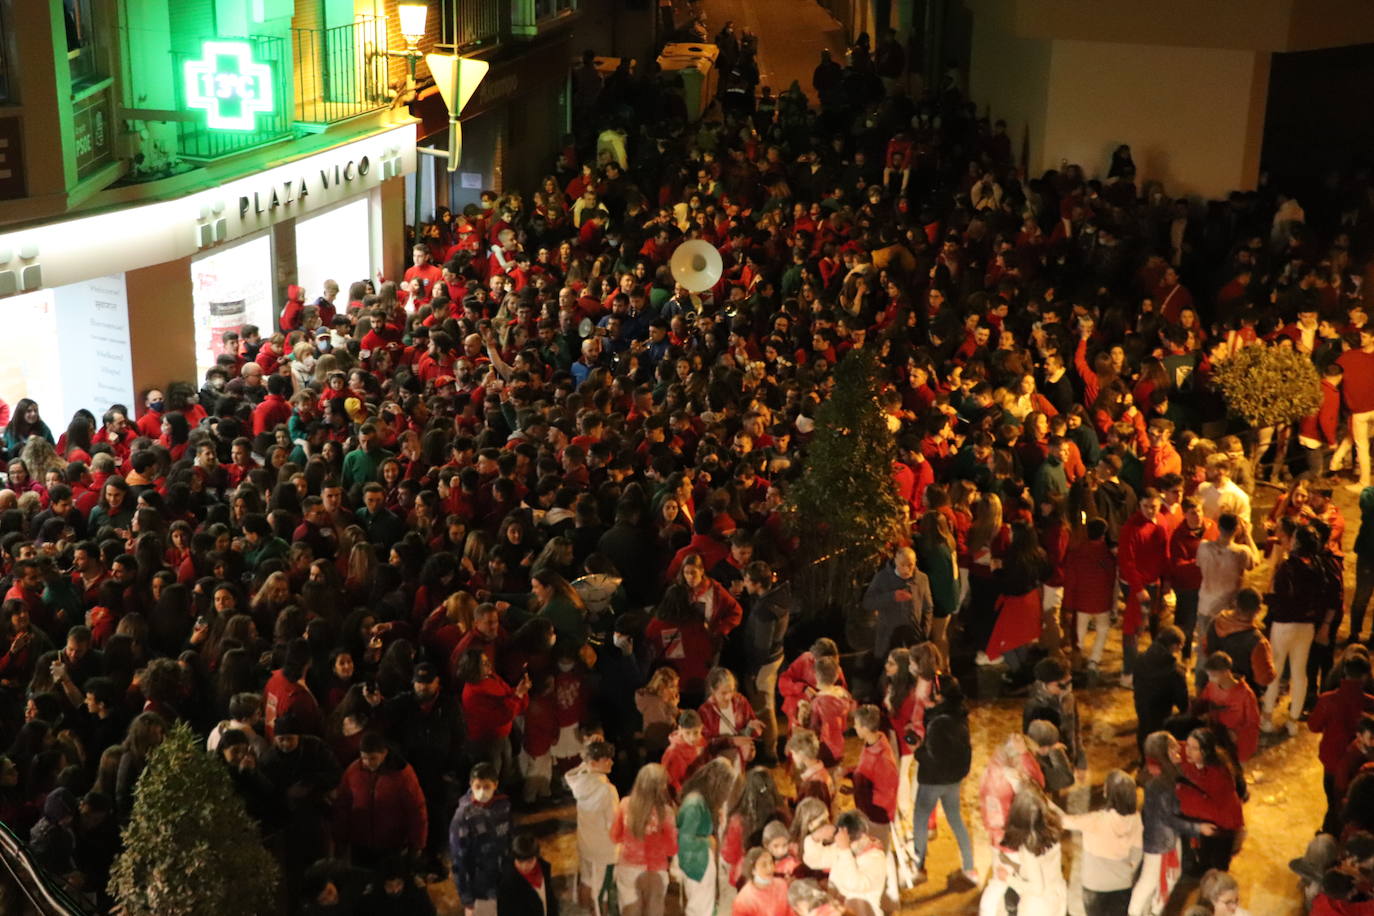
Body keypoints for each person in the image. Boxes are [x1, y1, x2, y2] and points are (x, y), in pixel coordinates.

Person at [909, 674, 977, 886]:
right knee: (956, 819)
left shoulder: (938, 724)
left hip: (933, 781)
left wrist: (917, 751)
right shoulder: (959, 715)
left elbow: (932, 758)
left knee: (920, 821)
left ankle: (918, 866)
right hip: (954, 780)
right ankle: (969, 865)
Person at [332, 733, 427, 868]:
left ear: (384, 754)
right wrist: (340, 839)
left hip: (392, 846)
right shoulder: (353, 772)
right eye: (364, 758)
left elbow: (417, 810)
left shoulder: (402, 775)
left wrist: (417, 844)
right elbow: (342, 806)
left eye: (373, 758)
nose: (368, 763)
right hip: (360, 844)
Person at [1062, 769, 1144, 916]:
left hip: (1095, 887)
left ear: (1108, 793)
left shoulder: (1096, 820)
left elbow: (1062, 821)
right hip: (1122, 884)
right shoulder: (1136, 819)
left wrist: (1041, 800)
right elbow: (1137, 855)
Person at [609, 763, 677, 916]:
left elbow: (614, 836)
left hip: (628, 866)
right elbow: (672, 848)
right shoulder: (666, 812)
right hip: (656, 870)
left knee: (630, 910)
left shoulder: (625, 804)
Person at [450, 761, 512, 916]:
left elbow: (510, 838)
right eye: (478, 786)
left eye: (487, 786)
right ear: (471, 784)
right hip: (480, 889)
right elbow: (459, 859)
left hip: (503, 882)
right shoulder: (463, 816)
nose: (482, 791)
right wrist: (466, 897)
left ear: (495, 785)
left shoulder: (503, 806)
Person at [565, 740, 619, 916]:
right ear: (594, 763)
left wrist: (588, 756)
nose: (611, 762)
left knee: (587, 880)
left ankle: (583, 911)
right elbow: (613, 823)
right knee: (601, 892)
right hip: (604, 848)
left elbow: (575, 770)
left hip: (585, 842)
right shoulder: (607, 790)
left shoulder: (580, 780)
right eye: (606, 759)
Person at [802, 810, 887, 916]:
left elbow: (854, 883)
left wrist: (845, 849)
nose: (849, 845)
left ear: (863, 835)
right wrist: (816, 837)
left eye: (852, 841)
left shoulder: (875, 858)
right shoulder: (842, 849)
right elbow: (814, 861)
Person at [497, 831, 558, 916]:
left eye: (529, 861)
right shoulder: (507, 883)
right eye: (520, 861)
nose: (524, 866)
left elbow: (549, 901)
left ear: (536, 857)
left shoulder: (543, 869)